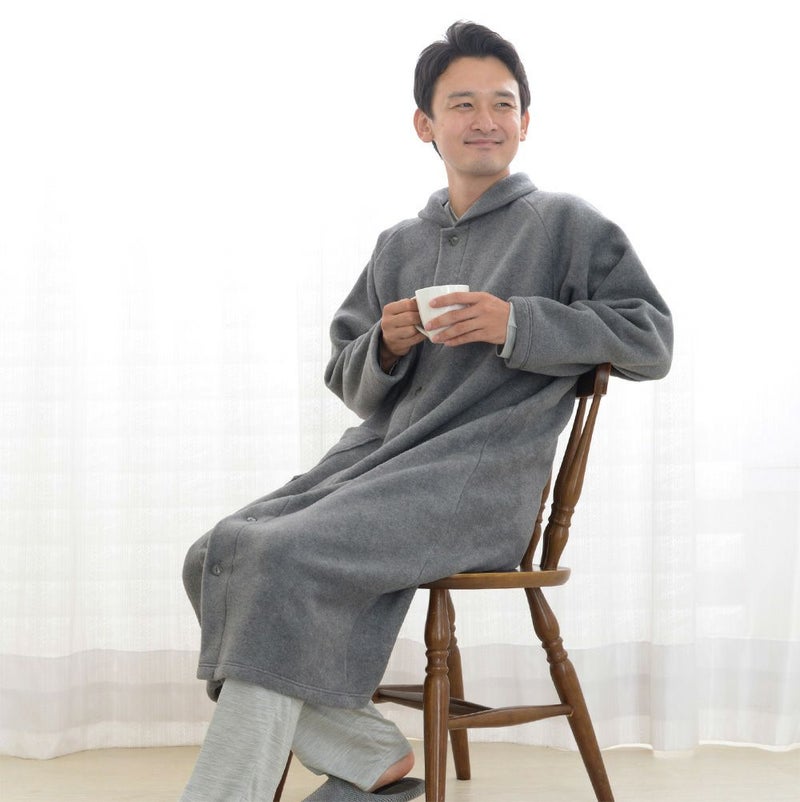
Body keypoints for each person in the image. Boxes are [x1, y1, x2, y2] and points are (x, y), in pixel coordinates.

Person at [180, 20, 673, 802]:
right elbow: (346, 373)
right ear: (425, 124)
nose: (486, 120)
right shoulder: (399, 245)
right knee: (216, 552)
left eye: (502, 104)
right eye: (463, 104)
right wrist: (385, 343)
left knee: (278, 558)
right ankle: (367, 751)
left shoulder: (566, 225)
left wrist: (515, 322)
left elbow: (651, 340)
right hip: (379, 464)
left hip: (480, 482)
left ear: (525, 122)